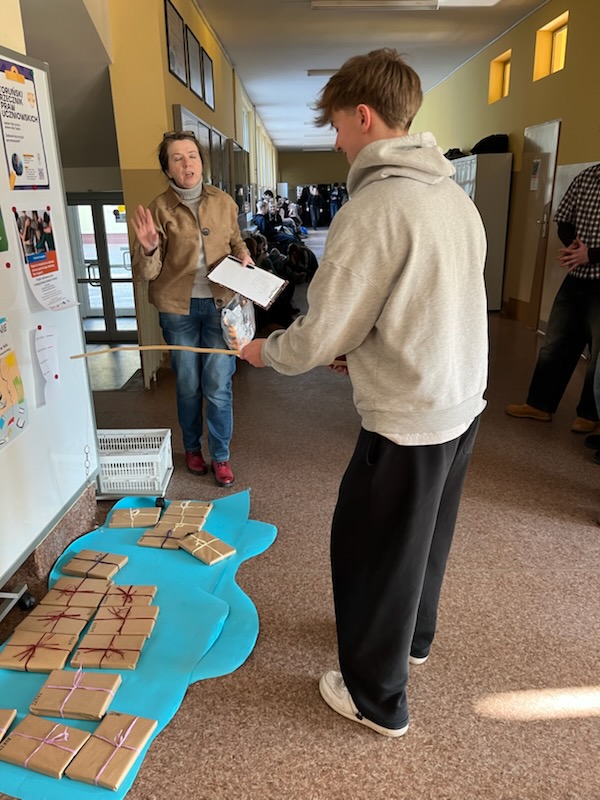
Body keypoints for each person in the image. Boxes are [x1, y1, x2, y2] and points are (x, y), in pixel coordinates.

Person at [241, 48, 488, 737]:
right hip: (460, 401)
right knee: (423, 538)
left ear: (363, 115)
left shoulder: (375, 206)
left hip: (409, 418)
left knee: (370, 550)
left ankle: (377, 700)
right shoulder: (454, 199)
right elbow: (432, 303)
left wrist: (266, 351)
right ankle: (412, 640)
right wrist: (368, 349)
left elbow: (319, 331)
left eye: (337, 127)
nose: (337, 142)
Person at [131, 130, 251, 487]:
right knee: (187, 384)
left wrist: (244, 254)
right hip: (177, 309)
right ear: (167, 169)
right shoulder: (158, 209)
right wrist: (149, 248)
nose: (187, 164)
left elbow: (235, 240)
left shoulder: (223, 201)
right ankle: (193, 448)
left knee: (218, 384)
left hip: (220, 306)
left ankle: (221, 456)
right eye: (177, 158)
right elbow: (146, 274)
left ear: (201, 162)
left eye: (192, 156)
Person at [505, 163, 600, 433]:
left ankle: (590, 414)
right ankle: (540, 405)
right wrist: (573, 246)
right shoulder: (587, 177)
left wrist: (591, 255)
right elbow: (564, 220)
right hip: (577, 276)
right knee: (556, 342)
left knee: (598, 353)